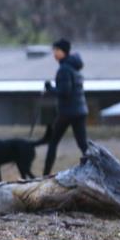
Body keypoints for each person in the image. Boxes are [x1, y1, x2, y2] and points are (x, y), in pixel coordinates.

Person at [43, 38, 88, 175]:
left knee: (53, 142)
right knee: (83, 144)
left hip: (68, 111)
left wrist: (50, 88)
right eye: (54, 50)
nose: (54, 54)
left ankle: (45, 175)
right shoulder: (74, 67)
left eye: (57, 50)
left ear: (64, 52)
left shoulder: (64, 69)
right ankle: (95, 169)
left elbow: (65, 92)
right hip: (80, 110)